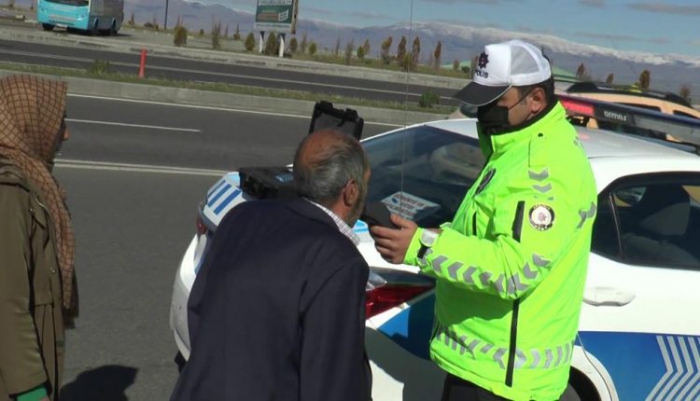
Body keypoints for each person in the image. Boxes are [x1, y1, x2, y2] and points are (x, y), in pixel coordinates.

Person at [369, 40, 597, 401]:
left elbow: (514, 269)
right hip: (484, 370)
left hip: (503, 382)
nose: (482, 112)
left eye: (495, 103)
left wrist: (422, 246)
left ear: (535, 100)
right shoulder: (512, 149)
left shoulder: (542, 171)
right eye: (480, 101)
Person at [170, 129, 373, 401]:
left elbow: (198, 310)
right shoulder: (338, 260)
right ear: (350, 192)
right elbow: (331, 380)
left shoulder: (242, 216)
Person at [0, 74, 78, 401]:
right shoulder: (9, 194)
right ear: (31, 123)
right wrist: (31, 391)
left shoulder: (32, 180)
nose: (66, 133)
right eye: (59, 121)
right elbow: (6, 302)